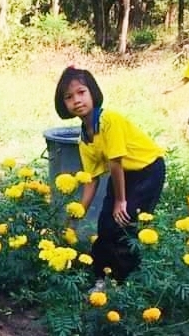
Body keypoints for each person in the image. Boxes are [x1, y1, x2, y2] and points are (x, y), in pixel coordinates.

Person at [54, 67, 165, 286]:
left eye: (81, 92)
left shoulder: (109, 120)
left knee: (125, 223)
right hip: (123, 176)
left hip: (147, 170)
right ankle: (101, 278)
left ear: (92, 93)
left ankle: (123, 282)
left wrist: (120, 201)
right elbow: (91, 180)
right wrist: (77, 214)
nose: (76, 100)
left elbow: (116, 162)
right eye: (69, 97)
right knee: (105, 224)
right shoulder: (84, 138)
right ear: (64, 105)